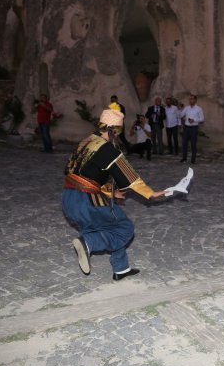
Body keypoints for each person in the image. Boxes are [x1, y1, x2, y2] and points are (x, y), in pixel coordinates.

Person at [62, 105, 166, 281]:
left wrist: (110, 192)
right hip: (87, 201)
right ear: (114, 130)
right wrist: (150, 193)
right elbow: (128, 174)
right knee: (124, 228)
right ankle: (88, 243)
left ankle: (121, 268)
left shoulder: (87, 141)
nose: (117, 136)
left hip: (69, 198)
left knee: (110, 226)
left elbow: (81, 172)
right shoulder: (108, 149)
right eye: (117, 132)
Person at [180, 94, 204, 164]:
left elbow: (202, 119)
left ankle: (193, 160)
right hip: (186, 127)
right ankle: (184, 158)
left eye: (192, 99)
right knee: (184, 144)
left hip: (194, 128)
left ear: (195, 100)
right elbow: (181, 115)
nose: (191, 100)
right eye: (190, 99)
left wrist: (194, 120)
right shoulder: (186, 108)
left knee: (193, 144)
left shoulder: (199, 109)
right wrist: (181, 110)